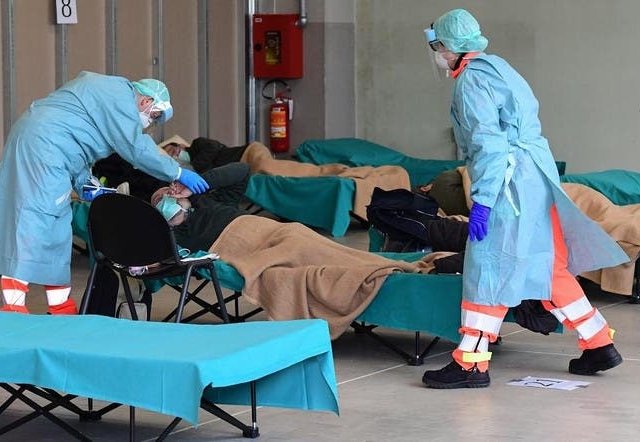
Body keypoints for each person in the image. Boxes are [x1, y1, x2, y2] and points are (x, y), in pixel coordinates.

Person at [420, 9, 628, 388]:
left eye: (438, 46)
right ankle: (598, 342)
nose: (437, 54)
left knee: (489, 268)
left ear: (450, 46)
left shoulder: (471, 82)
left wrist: (483, 200)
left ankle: (471, 364)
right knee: (548, 266)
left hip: (509, 186)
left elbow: (489, 146)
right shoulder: (500, 68)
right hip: (536, 180)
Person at [0, 71, 210, 315]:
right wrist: (177, 172)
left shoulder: (106, 99)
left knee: (58, 224)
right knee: (34, 217)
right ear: (146, 101)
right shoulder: (118, 98)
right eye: (153, 116)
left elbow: (78, 147)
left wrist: (86, 184)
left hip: (52, 150)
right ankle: (13, 304)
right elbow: (136, 148)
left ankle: (60, 305)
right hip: (42, 149)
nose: (149, 123)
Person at [151, 162, 251, 252]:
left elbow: (243, 170)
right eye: (159, 200)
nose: (167, 197)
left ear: (185, 197)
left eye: (170, 193)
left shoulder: (213, 201)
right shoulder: (173, 241)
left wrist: (196, 185)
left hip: (251, 228)